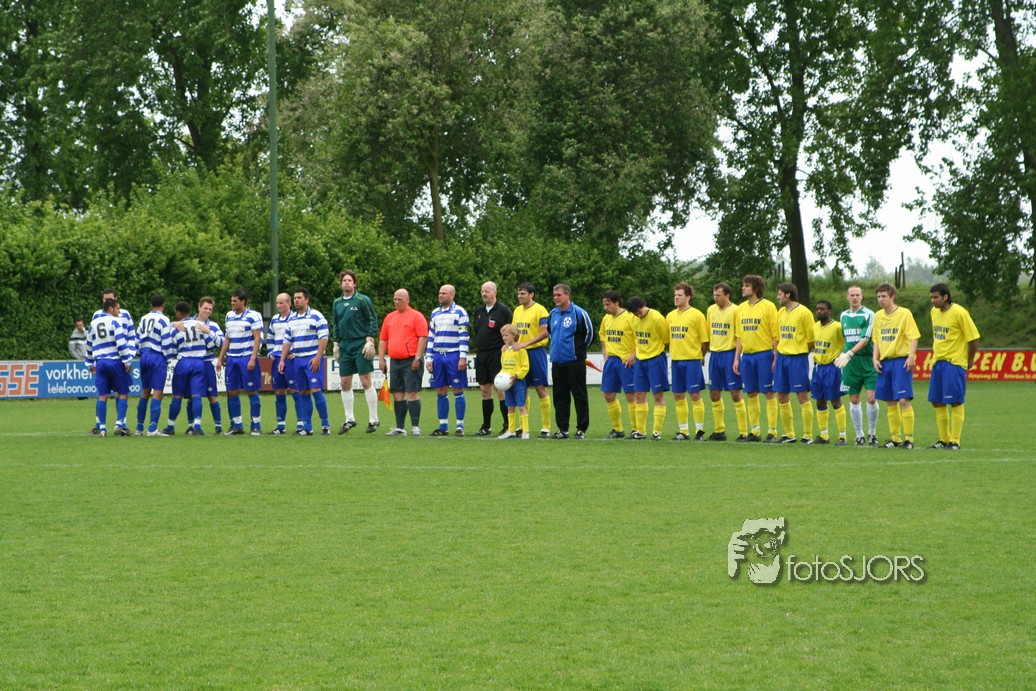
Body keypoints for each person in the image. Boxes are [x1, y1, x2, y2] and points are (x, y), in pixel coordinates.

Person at [927, 283, 980, 450]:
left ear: (945, 297)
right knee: (936, 401)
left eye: (935, 297)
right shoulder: (934, 312)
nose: (933, 301)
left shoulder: (959, 312)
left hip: (954, 363)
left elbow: (974, 338)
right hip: (938, 362)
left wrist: (970, 359)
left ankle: (955, 441)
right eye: (931, 297)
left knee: (955, 401)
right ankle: (944, 440)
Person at [331, 270, 381, 434]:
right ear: (341, 284)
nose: (346, 282)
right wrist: (336, 343)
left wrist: (370, 339)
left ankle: (374, 419)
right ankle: (349, 419)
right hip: (345, 345)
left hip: (360, 343)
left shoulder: (362, 300)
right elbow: (336, 323)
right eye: (344, 280)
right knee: (345, 382)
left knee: (366, 381)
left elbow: (372, 319)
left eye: (349, 280)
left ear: (354, 284)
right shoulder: (337, 303)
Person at [871, 283, 920, 449]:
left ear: (892, 297)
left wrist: (911, 356)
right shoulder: (878, 316)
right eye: (878, 297)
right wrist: (875, 358)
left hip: (901, 360)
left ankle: (909, 439)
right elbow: (876, 339)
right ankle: (895, 439)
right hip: (885, 362)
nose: (881, 299)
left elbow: (914, 337)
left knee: (903, 400)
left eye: (884, 296)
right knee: (890, 401)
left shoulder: (904, 313)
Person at [163, 301, 221, 436]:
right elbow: (213, 345)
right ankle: (197, 427)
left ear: (178, 313)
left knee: (177, 395)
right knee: (196, 395)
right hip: (199, 362)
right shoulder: (200, 325)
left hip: (183, 361)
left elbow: (170, 346)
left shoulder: (177, 327)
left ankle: (170, 427)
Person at [733, 275, 779, 442]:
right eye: (743, 285)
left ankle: (772, 432)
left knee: (769, 392)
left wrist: (776, 357)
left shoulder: (768, 306)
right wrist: (736, 358)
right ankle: (755, 431)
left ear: (756, 288)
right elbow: (739, 336)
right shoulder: (740, 308)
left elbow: (775, 335)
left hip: (764, 355)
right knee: (751, 393)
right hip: (747, 357)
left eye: (746, 285)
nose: (743, 288)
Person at [280, 288, 331, 435]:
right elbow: (287, 341)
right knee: (302, 391)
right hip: (298, 360)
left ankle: (325, 425)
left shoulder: (317, 316)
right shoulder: (292, 320)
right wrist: (282, 360)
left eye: (299, 298)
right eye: (295, 298)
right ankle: (307, 428)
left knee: (315, 390)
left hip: (312, 359)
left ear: (307, 300)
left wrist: (318, 357)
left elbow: (324, 338)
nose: (296, 300)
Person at [379, 289, 429, 436]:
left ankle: (415, 427)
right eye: (395, 299)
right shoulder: (389, 317)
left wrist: (417, 358)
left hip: (411, 360)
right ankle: (400, 427)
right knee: (398, 394)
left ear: (407, 300)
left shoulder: (417, 316)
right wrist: (381, 359)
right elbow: (383, 339)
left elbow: (423, 338)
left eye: (399, 299)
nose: (396, 302)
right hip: (395, 361)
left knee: (412, 393)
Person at [547, 284, 594, 439]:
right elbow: (550, 333)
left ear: (567, 295)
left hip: (575, 362)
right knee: (560, 396)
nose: (556, 298)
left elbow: (589, 334)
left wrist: (578, 352)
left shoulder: (579, 313)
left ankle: (581, 429)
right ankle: (563, 429)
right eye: (554, 295)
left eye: (559, 295)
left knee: (579, 395)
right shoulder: (552, 314)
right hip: (557, 362)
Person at [836, 285, 880, 446]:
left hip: (867, 360)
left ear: (862, 297)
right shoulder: (843, 315)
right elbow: (845, 338)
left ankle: (872, 432)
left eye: (857, 295)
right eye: (852, 295)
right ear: (847, 297)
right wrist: (844, 354)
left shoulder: (869, 314)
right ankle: (859, 434)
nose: (854, 298)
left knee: (871, 398)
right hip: (850, 363)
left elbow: (865, 339)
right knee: (854, 399)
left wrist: (849, 353)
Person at [667, 283, 710, 441]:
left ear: (688, 297)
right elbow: (667, 340)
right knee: (678, 395)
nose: (676, 297)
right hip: (676, 360)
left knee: (695, 394)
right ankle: (683, 431)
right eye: (675, 295)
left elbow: (704, 341)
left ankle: (699, 430)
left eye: (680, 295)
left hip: (692, 361)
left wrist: (700, 356)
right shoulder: (670, 316)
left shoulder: (697, 315)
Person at [424, 285, 469, 436]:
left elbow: (464, 336)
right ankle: (443, 426)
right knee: (441, 389)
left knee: (458, 389)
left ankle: (460, 426)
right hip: (438, 355)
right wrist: (429, 357)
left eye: (444, 293)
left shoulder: (460, 312)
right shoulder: (435, 313)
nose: (440, 295)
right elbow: (431, 336)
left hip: (453, 355)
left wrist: (462, 356)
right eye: (439, 293)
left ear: (452, 295)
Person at [218, 289, 264, 435]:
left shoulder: (253, 316)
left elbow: (257, 338)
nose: (232, 303)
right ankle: (237, 425)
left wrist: (253, 358)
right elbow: (227, 338)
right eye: (231, 300)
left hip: (246, 358)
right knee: (231, 391)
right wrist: (221, 357)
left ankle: (256, 425)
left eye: (235, 301)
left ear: (243, 301)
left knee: (251, 390)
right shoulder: (229, 316)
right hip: (232, 359)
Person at [86, 298, 135, 436]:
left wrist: (90, 363)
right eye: (117, 308)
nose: (119, 311)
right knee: (123, 392)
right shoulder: (115, 321)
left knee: (102, 395)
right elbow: (121, 343)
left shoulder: (93, 323)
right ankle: (119, 423)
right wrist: (127, 360)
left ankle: (102, 428)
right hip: (114, 361)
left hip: (100, 362)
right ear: (111, 308)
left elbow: (89, 344)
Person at [773, 283, 815, 443]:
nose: (778, 297)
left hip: (797, 359)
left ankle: (807, 435)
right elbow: (778, 337)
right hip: (782, 358)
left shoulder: (804, 313)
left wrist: (801, 352)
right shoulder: (780, 312)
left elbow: (811, 340)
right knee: (782, 396)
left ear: (788, 295)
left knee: (802, 396)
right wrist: (776, 357)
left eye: (780, 294)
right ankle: (789, 434)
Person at [706, 283, 748, 441]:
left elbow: (739, 336)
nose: (715, 298)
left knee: (735, 392)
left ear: (727, 295)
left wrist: (736, 358)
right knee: (714, 392)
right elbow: (709, 333)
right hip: (714, 355)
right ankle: (719, 430)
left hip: (729, 354)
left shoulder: (736, 310)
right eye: (714, 295)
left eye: (718, 295)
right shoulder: (711, 310)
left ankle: (743, 432)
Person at [510, 282, 552, 437]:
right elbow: (513, 332)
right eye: (518, 293)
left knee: (540, 388)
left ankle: (546, 427)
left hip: (535, 352)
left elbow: (545, 332)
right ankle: (523, 426)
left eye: (523, 293)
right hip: (520, 353)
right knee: (523, 388)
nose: (519, 296)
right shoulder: (517, 310)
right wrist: (508, 345)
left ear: (531, 294)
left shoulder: (540, 310)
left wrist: (526, 343)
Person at [626, 296, 670, 440]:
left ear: (644, 305)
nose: (638, 315)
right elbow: (637, 340)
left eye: (639, 311)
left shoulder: (657, 318)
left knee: (658, 395)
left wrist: (655, 352)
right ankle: (641, 431)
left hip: (656, 359)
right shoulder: (633, 319)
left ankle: (657, 432)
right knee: (639, 394)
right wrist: (634, 354)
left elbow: (666, 340)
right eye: (635, 313)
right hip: (640, 360)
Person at [472, 281, 513, 436]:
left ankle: (507, 425)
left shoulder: (503, 311)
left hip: (497, 354)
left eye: (487, 291)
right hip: (482, 354)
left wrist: (507, 347)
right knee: (485, 390)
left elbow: (510, 331)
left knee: (500, 389)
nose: (484, 294)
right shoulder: (479, 311)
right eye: (482, 291)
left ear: (495, 292)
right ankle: (486, 426)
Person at [135, 294, 176, 436]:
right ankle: (152, 429)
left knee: (145, 392)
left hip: (144, 356)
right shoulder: (164, 319)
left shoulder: (143, 318)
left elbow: (137, 338)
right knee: (158, 392)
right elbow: (166, 340)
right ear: (163, 305)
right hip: (157, 356)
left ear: (151, 305)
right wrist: (168, 358)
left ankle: (139, 427)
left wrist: (139, 353)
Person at [600, 290, 637, 438]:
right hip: (611, 361)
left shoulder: (630, 317)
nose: (605, 308)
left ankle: (636, 429)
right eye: (604, 304)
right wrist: (605, 351)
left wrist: (633, 354)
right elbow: (602, 336)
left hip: (626, 361)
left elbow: (640, 337)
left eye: (608, 304)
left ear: (617, 302)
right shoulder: (606, 319)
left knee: (631, 395)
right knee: (608, 394)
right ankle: (617, 429)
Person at [812, 300, 847, 445]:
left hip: (832, 368)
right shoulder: (815, 326)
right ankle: (824, 435)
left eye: (823, 309)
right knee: (820, 400)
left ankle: (842, 436)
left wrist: (842, 356)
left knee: (835, 400)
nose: (819, 311)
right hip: (818, 367)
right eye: (817, 309)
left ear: (830, 311)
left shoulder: (838, 326)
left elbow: (847, 343)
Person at [193, 297, 225, 433]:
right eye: (205, 308)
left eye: (210, 309)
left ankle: (218, 426)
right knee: (193, 396)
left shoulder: (213, 326)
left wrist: (209, 332)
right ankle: (193, 426)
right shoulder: (189, 323)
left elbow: (223, 343)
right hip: (193, 363)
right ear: (199, 307)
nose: (207, 311)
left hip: (206, 363)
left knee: (212, 396)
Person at [266, 292, 295, 434]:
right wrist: (271, 352)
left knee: (295, 390)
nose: (278, 305)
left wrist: (296, 352)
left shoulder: (295, 318)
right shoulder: (274, 319)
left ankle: (301, 424)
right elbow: (270, 336)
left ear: (289, 303)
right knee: (279, 391)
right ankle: (280, 426)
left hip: (290, 359)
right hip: (277, 358)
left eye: (281, 303)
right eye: (277, 303)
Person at [497, 324, 530, 439]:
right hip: (508, 383)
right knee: (510, 407)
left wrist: (517, 375)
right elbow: (503, 367)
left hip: (518, 382)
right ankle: (511, 430)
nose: (504, 338)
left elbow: (525, 367)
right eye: (503, 336)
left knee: (521, 406)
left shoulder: (521, 350)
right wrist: (500, 377)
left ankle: (525, 431)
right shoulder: (504, 350)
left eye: (506, 335)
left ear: (514, 335)